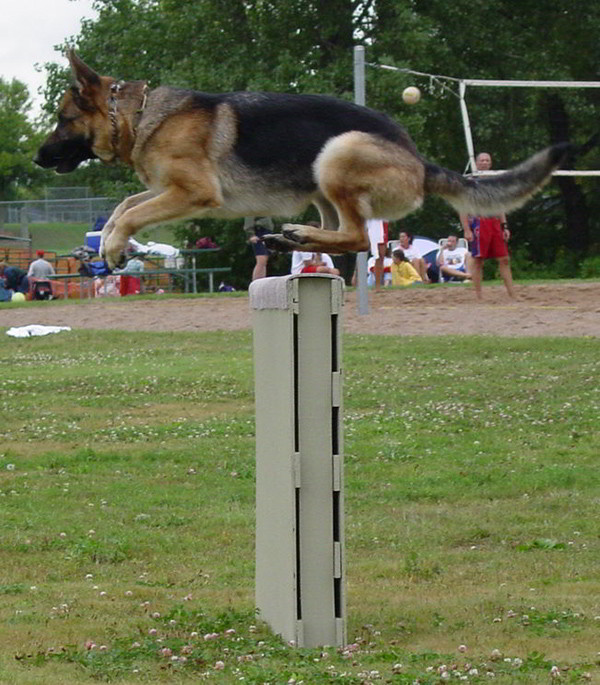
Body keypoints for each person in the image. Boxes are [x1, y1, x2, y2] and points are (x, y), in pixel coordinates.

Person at [460, 152, 516, 299]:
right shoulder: (470, 182)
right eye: (482, 160)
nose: (484, 162)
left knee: (504, 258)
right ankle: (479, 295)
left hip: (494, 223)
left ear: (490, 163)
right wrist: (466, 229)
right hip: (479, 222)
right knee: (478, 260)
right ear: (476, 163)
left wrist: (504, 226)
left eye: (487, 160)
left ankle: (512, 294)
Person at [366, 219, 389, 292]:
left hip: (382, 223)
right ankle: (377, 286)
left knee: (381, 257)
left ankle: (378, 285)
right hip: (377, 226)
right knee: (378, 256)